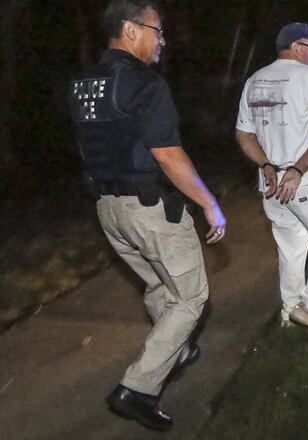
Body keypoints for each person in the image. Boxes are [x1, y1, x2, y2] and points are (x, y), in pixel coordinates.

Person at [68, 0, 226, 431]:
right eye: (157, 30)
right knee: (191, 299)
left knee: (160, 283)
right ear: (130, 30)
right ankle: (136, 389)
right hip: (149, 210)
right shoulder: (144, 83)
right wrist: (209, 203)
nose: (162, 40)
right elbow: (169, 155)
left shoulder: (84, 83)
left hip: (108, 210)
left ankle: (178, 348)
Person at [235, 22, 308, 332]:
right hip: (303, 181)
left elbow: (243, 133)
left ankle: (290, 313)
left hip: (270, 184)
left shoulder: (254, 81)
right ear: (298, 48)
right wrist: (297, 169)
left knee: (291, 248)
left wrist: (266, 164)